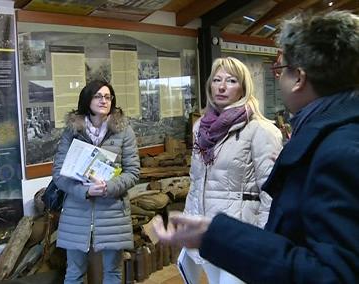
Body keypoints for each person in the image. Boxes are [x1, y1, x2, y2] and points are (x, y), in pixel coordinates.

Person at [153, 10, 359, 284]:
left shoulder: (338, 150)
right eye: (216, 79)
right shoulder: (326, 138)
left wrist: (233, 239)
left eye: (281, 70)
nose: (277, 79)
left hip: (243, 239)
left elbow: (333, 273)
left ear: (299, 78)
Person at [181, 57, 282, 284]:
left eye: (231, 80)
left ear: (244, 87)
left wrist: (264, 240)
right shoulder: (201, 128)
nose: (222, 86)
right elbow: (196, 182)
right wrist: (189, 222)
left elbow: (271, 191)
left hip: (241, 235)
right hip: (206, 232)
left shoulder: (261, 129)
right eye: (217, 80)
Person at [52, 80, 140, 283]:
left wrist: (108, 187)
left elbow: (133, 172)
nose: (104, 100)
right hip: (77, 211)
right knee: (74, 273)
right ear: (87, 100)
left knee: (113, 272)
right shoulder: (72, 131)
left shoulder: (124, 131)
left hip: (112, 213)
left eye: (108, 97)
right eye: (98, 96)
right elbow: (59, 174)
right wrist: (85, 191)